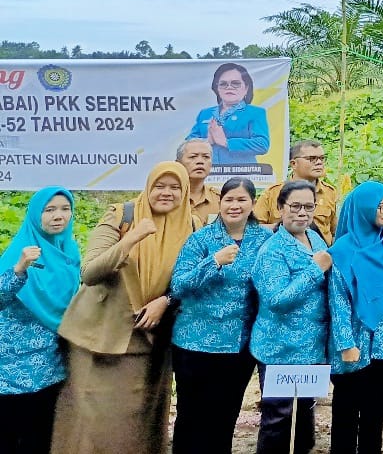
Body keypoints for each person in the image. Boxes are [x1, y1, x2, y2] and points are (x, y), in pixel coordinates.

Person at [54, 162, 199, 454]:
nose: (167, 193)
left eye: (175, 187)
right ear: (148, 186)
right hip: (100, 336)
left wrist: (166, 300)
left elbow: (191, 277)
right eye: (160, 186)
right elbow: (90, 272)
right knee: (94, 421)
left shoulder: (192, 224)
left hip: (151, 341)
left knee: (138, 424)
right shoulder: (122, 214)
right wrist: (131, 239)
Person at [170, 177, 271, 454]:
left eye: (242, 200)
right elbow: (179, 285)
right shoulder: (202, 239)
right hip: (195, 343)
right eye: (229, 199)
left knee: (225, 417)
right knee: (192, 417)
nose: (235, 205)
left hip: (239, 346)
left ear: (252, 204)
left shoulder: (265, 240)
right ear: (220, 202)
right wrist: (213, 261)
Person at [250, 180, 331, 454]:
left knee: (304, 413)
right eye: (295, 206)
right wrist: (314, 270)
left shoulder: (315, 238)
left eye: (308, 207)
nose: (302, 213)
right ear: (281, 208)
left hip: (310, 346)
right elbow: (277, 300)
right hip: (279, 348)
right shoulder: (272, 251)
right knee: (280, 417)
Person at [0, 187, 77, 454]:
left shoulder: (69, 253)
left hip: (48, 366)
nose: (58, 216)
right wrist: (19, 269)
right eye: (49, 209)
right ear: (35, 214)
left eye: (65, 209)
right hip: (11, 370)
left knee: (39, 439)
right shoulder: (18, 253)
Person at [328, 181, 383, 454]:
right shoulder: (343, 249)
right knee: (347, 407)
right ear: (363, 210)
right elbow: (338, 302)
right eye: (379, 206)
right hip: (353, 341)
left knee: (375, 408)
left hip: (382, 339)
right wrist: (346, 344)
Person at [187, 63, 270, 164]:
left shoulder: (255, 113)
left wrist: (226, 142)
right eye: (223, 84)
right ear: (217, 88)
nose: (229, 87)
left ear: (246, 88)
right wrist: (206, 142)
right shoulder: (205, 113)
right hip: (208, 173)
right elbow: (187, 145)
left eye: (235, 83)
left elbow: (262, 145)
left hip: (242, 175)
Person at [177, 138, 222, 224]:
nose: (200, 161)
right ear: (178, 163)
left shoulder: (221, 199)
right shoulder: (167, 198)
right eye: (193, 157)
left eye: (206, 157)